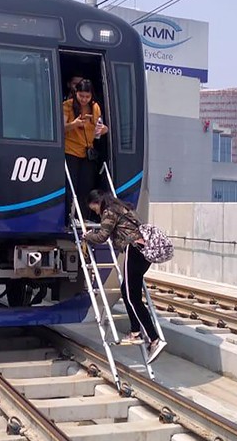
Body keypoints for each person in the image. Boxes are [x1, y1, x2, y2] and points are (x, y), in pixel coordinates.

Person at [83, 190, 167, 364]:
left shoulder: (110, 211)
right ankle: (135, 331)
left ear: (96, 202)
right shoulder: (123, 208)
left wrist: (86, 235)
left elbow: (101, 236)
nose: (94, 211)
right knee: (127, 291)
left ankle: (154, 339)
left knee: (132, 297)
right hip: (144, 252)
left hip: (133, 250)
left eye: (93, 207)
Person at [63, 79, 108, 222]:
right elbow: (60, 128)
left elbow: (99, 130)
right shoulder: (67, 105)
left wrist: (103, 129)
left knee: (86, 187)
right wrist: (74, 124)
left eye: (87, 97)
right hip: (70, 150)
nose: (84, 99)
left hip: (87, 152)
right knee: (71, 186)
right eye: (81, 96)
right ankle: (68, 217)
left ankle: (82, 217)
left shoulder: (95, 107)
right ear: (76, 93)